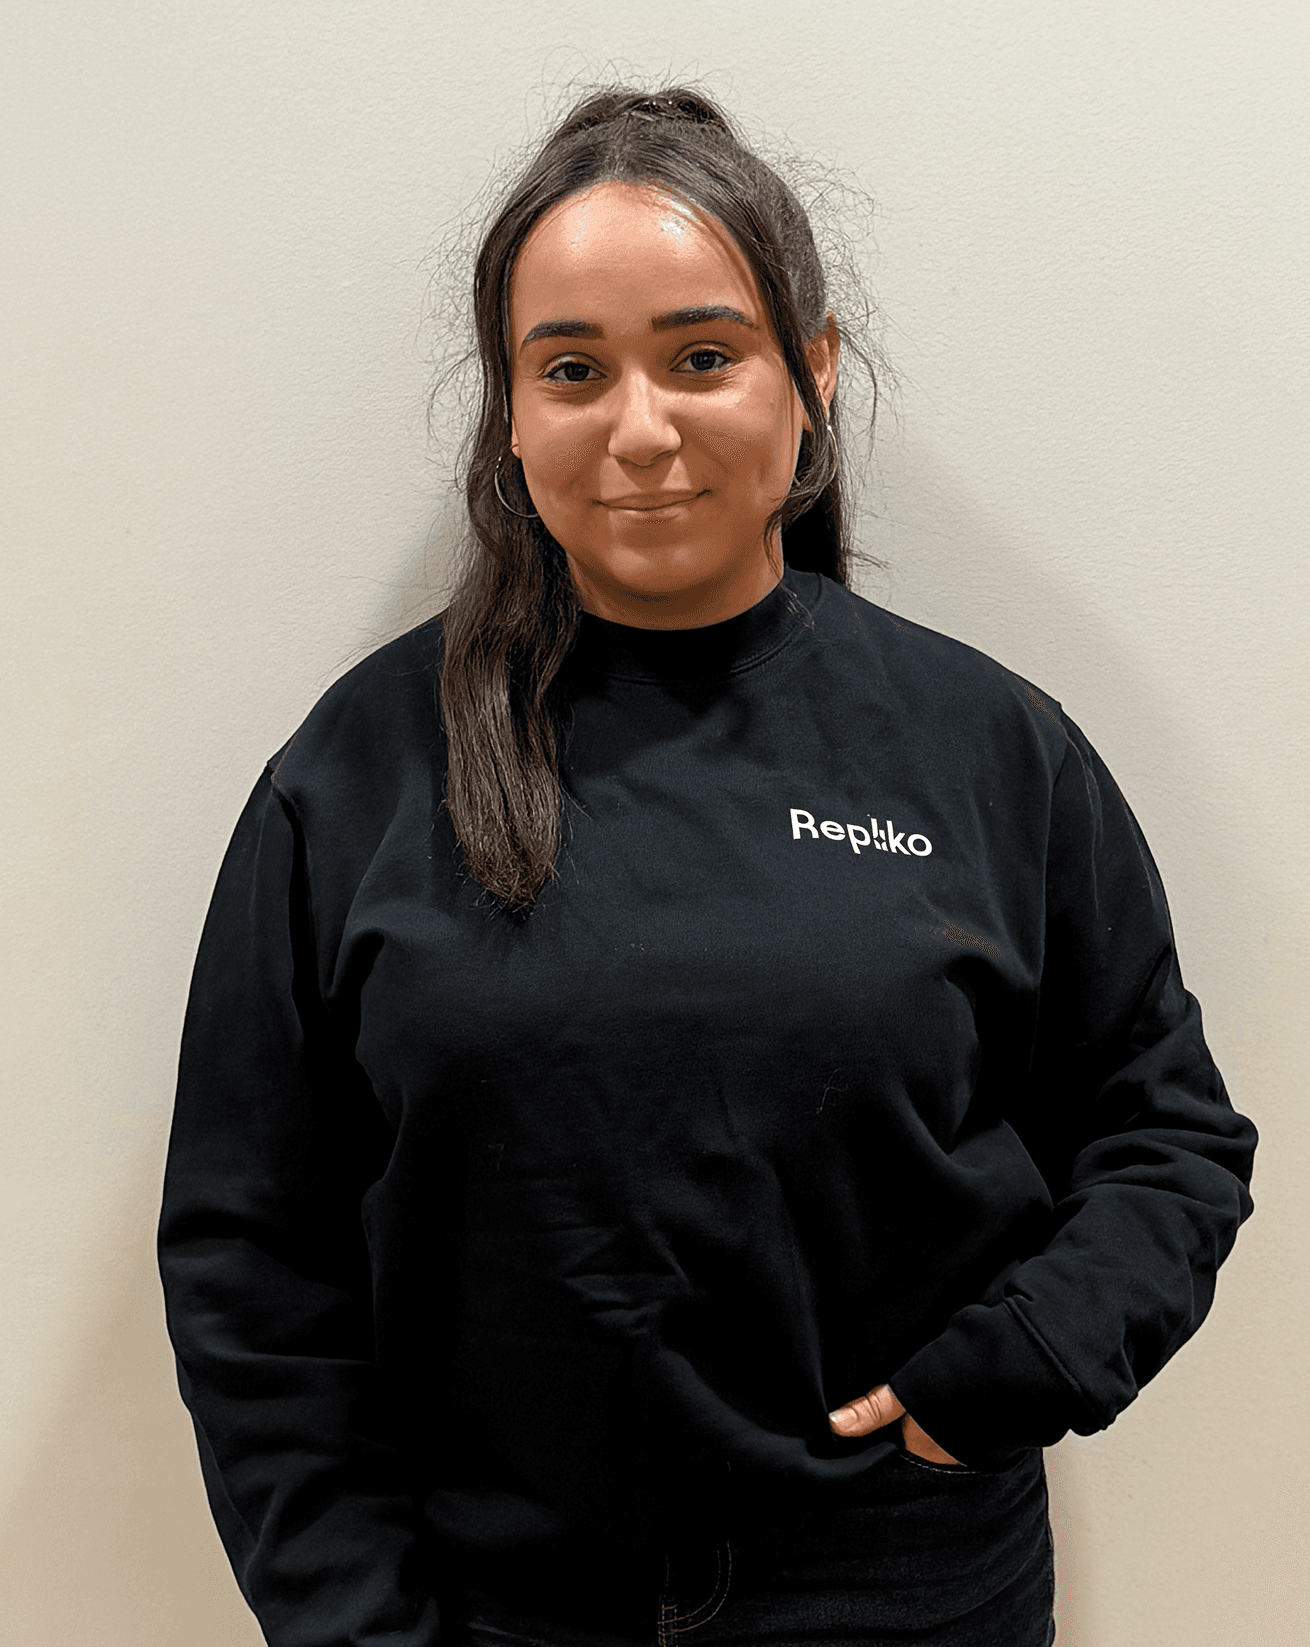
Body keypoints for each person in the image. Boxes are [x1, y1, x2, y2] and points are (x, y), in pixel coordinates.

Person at [158, 86, 1258, 1647]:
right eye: (571, 370)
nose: (639, 428)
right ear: (510, 409)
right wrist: (356, 1620)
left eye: (700, 356)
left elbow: (1165, 1131)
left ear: (809, 372)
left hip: (906, 1597)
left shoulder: (988, 749)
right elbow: (250, 1249)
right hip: (499, 1610)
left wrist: (1020, 1360)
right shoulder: (356, 775)